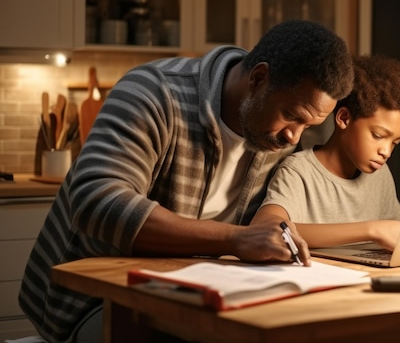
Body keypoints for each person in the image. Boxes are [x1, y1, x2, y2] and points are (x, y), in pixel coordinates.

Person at [18, 20, 354, 343]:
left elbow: (267, 214)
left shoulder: (270, 129)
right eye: (293, 117)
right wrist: (236, 240)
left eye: (307, 127)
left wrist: (274, 229)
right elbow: (96, 201)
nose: (294, 137)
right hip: (93, 301)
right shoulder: (154, 91)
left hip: (200, 293)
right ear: (258, 78)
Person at [250, 55, 400, 250]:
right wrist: (371, 230)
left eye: (395, 142)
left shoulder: (381, 175)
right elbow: (265, 227)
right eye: (378, 136)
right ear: (344, 118)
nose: (386, 151)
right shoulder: (298, 171)